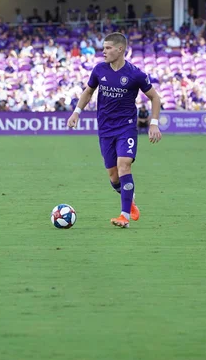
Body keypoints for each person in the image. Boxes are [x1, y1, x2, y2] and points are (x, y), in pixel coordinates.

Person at [66, 32, 162, 228]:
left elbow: (155, 98)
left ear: (120, 49)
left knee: (124, 165)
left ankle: (124, 216)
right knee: (113, 176)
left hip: (126, 127)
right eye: (104, 48)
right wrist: (76, 112)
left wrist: (154, 123)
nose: (104, 52)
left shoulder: (136, 74)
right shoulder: (99, 70)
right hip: (105, 129)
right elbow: (89, 91)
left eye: (108, 48)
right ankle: (130, 200)